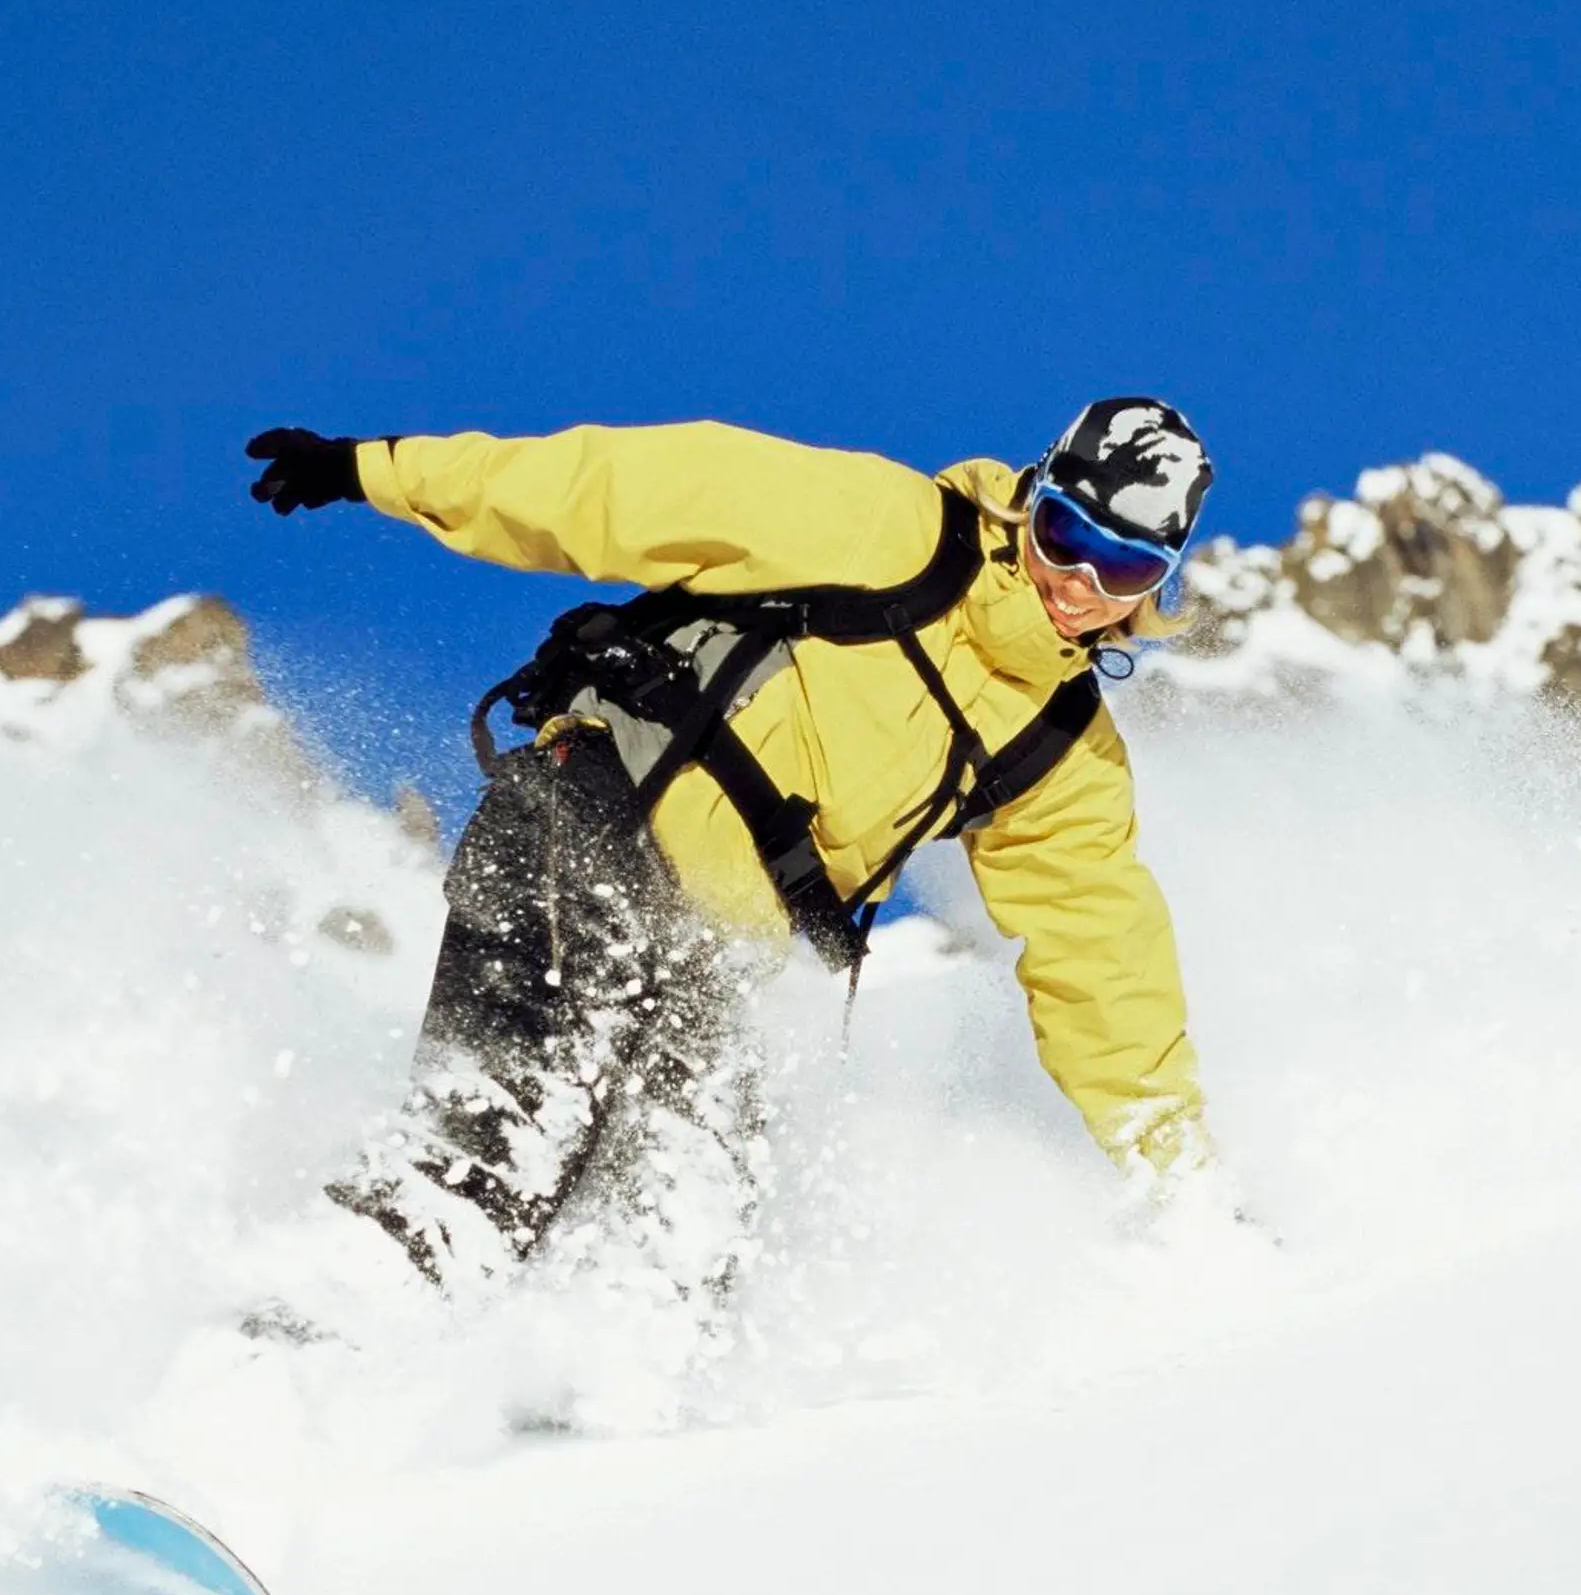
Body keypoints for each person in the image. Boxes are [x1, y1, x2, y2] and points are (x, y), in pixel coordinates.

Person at [247, 399, 1216, 1287]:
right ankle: (288, 1365)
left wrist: (1182, 1188)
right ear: (1026, 501)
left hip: (719, 959)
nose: (1079, 584)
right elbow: (624, 490)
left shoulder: (1060, 747)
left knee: (674, 1238)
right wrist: (377, 470)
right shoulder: (889, 530)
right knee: (492, 1149)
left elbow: (1101, 954)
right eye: (1064, 534)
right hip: (592, 823)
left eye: (1123, 566)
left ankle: (564, 1427)